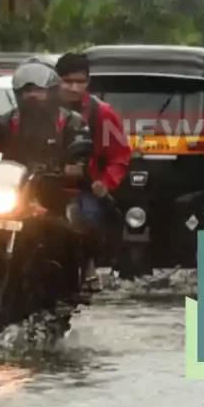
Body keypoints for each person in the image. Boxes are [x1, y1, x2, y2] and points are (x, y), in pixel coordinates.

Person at [0, 62, 93, 293]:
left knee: (69, 229)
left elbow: (81, 147)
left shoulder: (70, 122)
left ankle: (67, 291)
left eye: (38, 90)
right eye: (27, 91)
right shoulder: (7, 121)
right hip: (11, 191)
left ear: (52, 92)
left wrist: (71, 166)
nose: (32, 96)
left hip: (51, 193)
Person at [55, 52, 131, 292]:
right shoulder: (40, 108)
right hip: (44, 182)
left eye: (80, 82)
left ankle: (88, 266)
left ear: (88, 82)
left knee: (87, 218)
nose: (74, 87)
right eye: (68, 81)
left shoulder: (102, 113)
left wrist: (105, 183)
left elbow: (120, 155)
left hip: (84, 187)